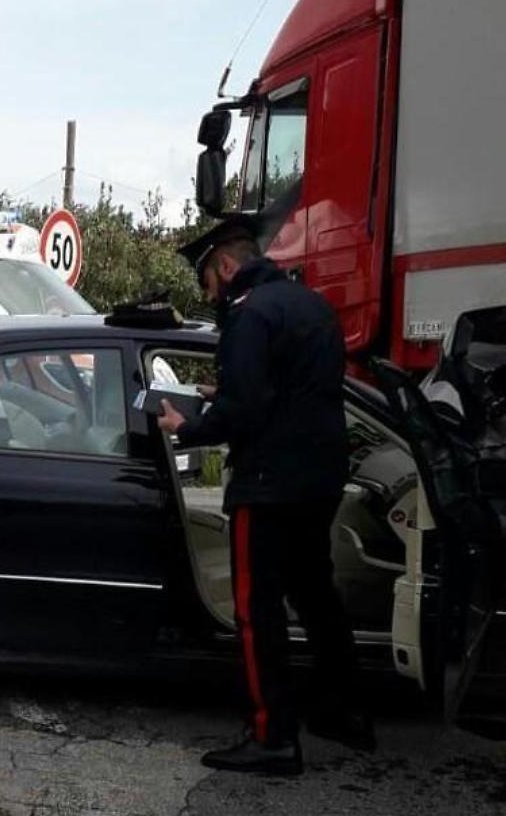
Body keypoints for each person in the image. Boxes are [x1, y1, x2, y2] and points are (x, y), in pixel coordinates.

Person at [157, 218, 372, 776]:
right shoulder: (312, 307)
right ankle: (344, 712)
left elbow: (246, 412)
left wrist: (187, 426)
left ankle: (272, 737)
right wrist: (225, 391)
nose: (210, 295)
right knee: (317, 597)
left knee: (258, 611)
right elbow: (289, 389)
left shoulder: (248, 312)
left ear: (225, 268)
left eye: (207, 283)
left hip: (269, 484)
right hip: (320, 478)